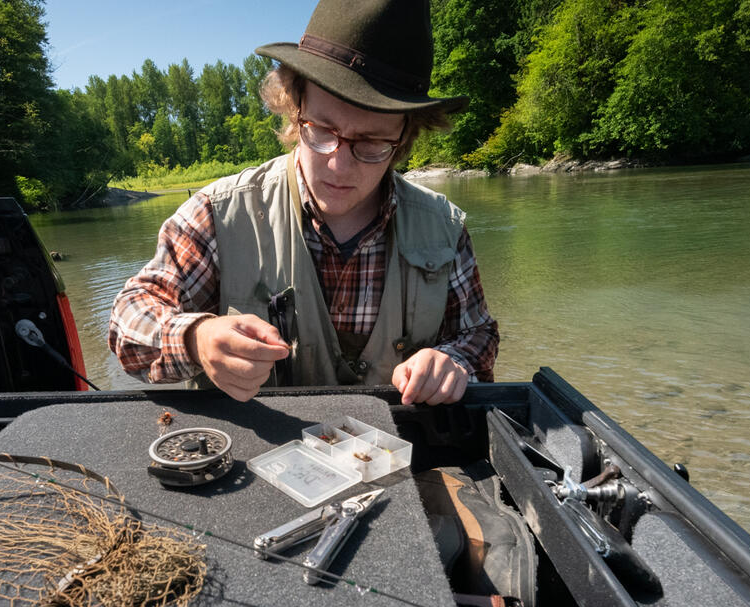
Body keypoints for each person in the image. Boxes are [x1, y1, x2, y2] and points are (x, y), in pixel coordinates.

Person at [108, 0, 498, 405]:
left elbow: (478, 335)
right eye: (322, 129)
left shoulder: (444, 228)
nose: (338, 164)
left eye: (370, 143)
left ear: (403, 139)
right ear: (296, 111)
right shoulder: (218, 215)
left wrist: (453, 363)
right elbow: (126, 322)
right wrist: (196, 338)